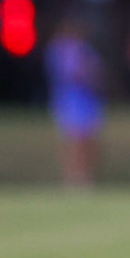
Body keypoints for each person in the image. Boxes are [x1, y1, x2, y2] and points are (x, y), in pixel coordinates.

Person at [45, 19, 105, 189]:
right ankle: (72, 178)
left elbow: (97, 74)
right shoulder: (60, 50)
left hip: (89, 99)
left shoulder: (86, 50)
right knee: (73, 140)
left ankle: (85, 176)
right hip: (71, 99)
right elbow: (72, 74)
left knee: (89, 141)